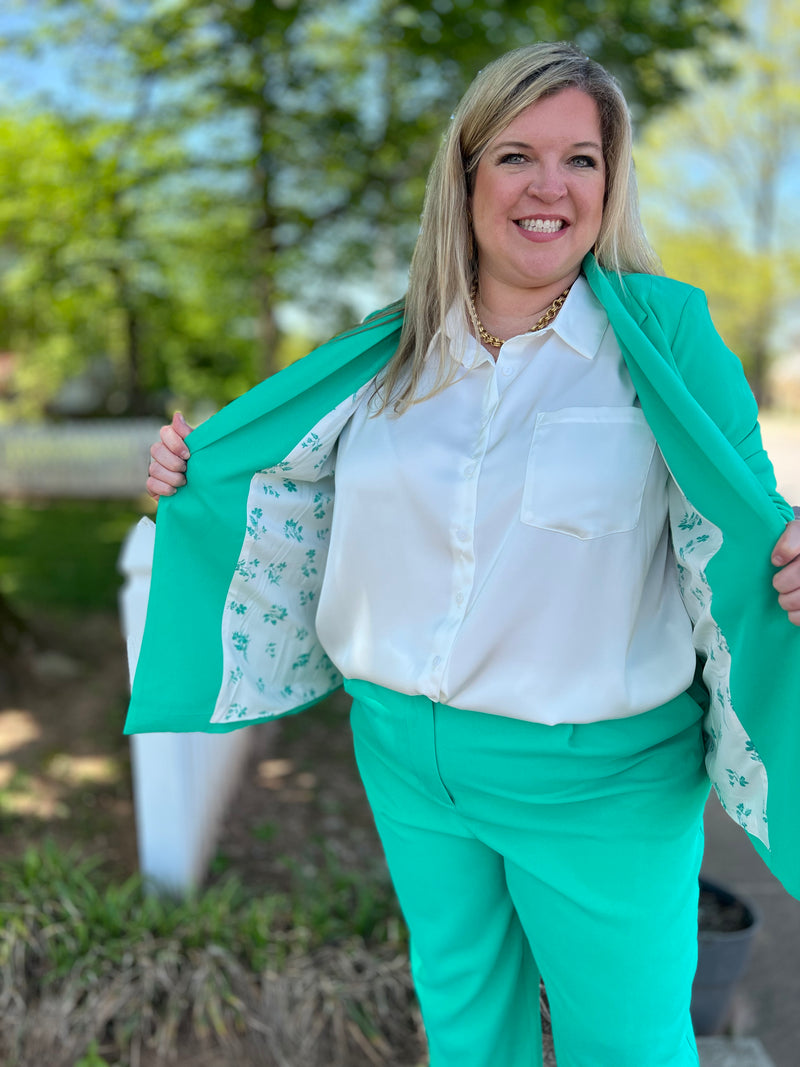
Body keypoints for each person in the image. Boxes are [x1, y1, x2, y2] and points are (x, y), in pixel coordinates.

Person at [135, 42, 800, 1067]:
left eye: (580, 160)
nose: (548, 187)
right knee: (463, 1031)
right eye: (515, 156)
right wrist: (185, 479)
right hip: (406, 755)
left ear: (608, 183)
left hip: (599, 779)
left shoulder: (663, 335)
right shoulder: (390, 346)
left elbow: (747, 507)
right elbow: (274, 476)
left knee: (623, 1047)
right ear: (466, 173)